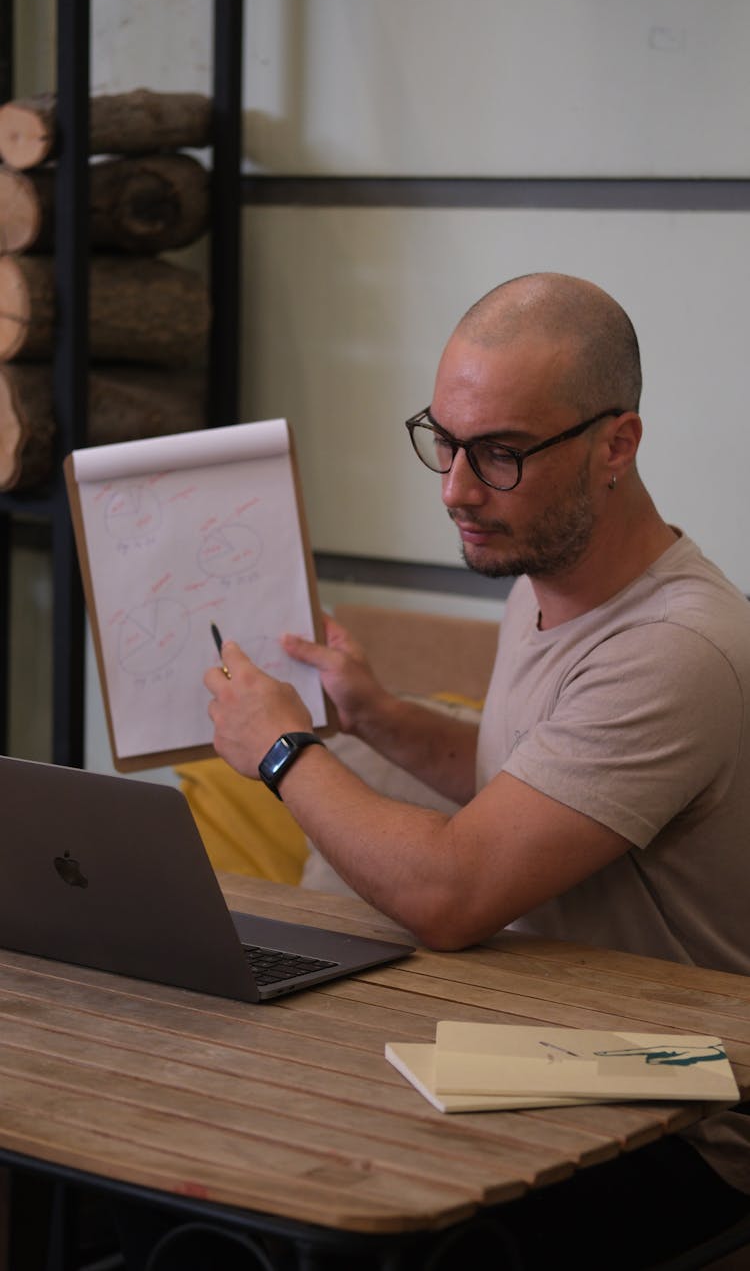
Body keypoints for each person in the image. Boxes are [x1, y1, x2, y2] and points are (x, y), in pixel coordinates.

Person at [205, 272, 750, 1268]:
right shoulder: (545, 572)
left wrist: (283, 749)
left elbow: (454, 892)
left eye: (499, 454)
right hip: (526, 1052)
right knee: (206, 1158)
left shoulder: (678, 647)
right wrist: (383, 717)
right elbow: (534, 777)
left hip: (672, 1116)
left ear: (616, 445)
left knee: (311, 1227)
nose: (456, 488)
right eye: (444, 442)